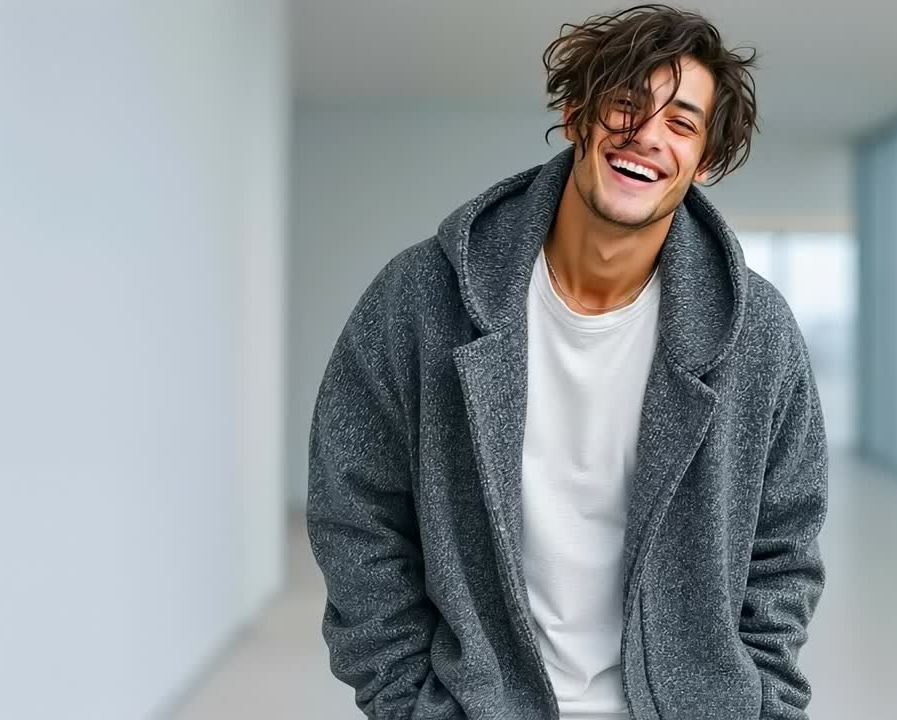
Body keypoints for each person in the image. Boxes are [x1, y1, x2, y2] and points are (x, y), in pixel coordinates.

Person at [307, 5, 828, 719]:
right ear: (577, 113)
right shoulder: (422, 297)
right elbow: (354, 511)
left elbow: (786, 543)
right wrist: (409, 703)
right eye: (627, 104)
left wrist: (762, 703)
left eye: (681, 123)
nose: (647, 135)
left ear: (704, 160)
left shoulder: (757, 334)